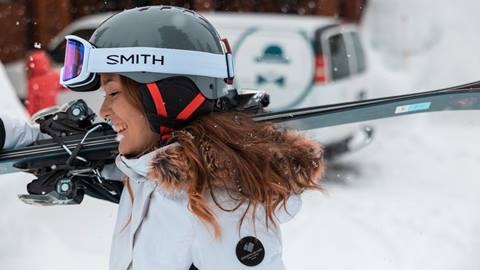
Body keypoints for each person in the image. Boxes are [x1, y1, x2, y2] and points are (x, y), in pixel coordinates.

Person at [1, 6, 325, 270]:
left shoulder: (220, 202)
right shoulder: (147, 170)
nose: (104, 109)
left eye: (113, 92)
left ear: (165, 96)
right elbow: (48, 146)